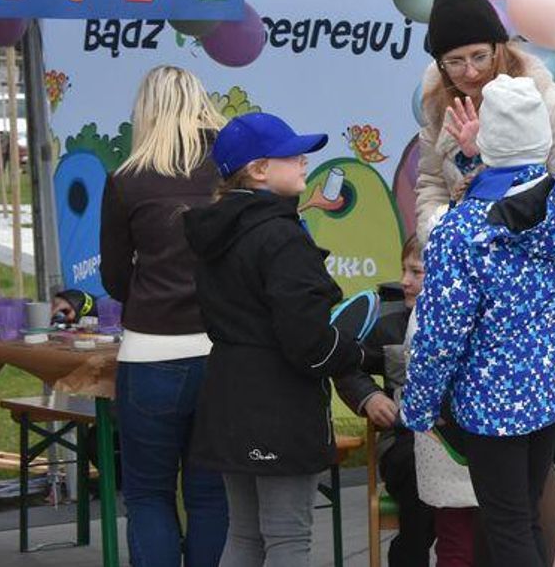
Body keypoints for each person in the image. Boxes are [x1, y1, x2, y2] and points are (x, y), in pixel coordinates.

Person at [401, 75, 555, 567]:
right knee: (522, 515)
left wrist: (419, 406)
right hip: (549, 386)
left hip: (491, 401)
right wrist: (475, 158)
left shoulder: (460, 232)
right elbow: (515, 192)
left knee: (505, 524)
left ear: (488, 140)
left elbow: (440, 333)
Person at [184, 113, 373, 567]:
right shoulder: (281, 236)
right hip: (277, 404)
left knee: (245, 534)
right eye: (293, 154)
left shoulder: (216, 231)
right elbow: (309, 343)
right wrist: (365, 354)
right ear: (260, 169)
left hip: (228, 396)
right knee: (288, 538)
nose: (304, 161)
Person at [414, 0, 555, 406]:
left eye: (479, 56)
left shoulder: (552, 105)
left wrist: (503, 246)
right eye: (455, 61)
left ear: (499, 48)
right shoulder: (439, 109)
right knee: (483, 442)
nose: (469, 71)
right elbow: (430, 185)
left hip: (537, 312)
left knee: (533, 441)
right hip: (469, 308)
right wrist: (440, 234)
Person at [101, 65, 229, 567]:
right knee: (210, 495)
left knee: (149, 495)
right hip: (220, 351)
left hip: (150, 352)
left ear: (146, 111)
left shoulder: (127, 181)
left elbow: (115, 278)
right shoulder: (227, 174)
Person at [334, 238, 437, 567]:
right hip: (404, 441)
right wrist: (369, 396)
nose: (405, 280)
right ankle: (409, 555)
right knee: (420, 469)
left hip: (458, 442)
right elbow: (346, 366)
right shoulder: (390, 323)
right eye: (404, 270)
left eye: (416, 272)